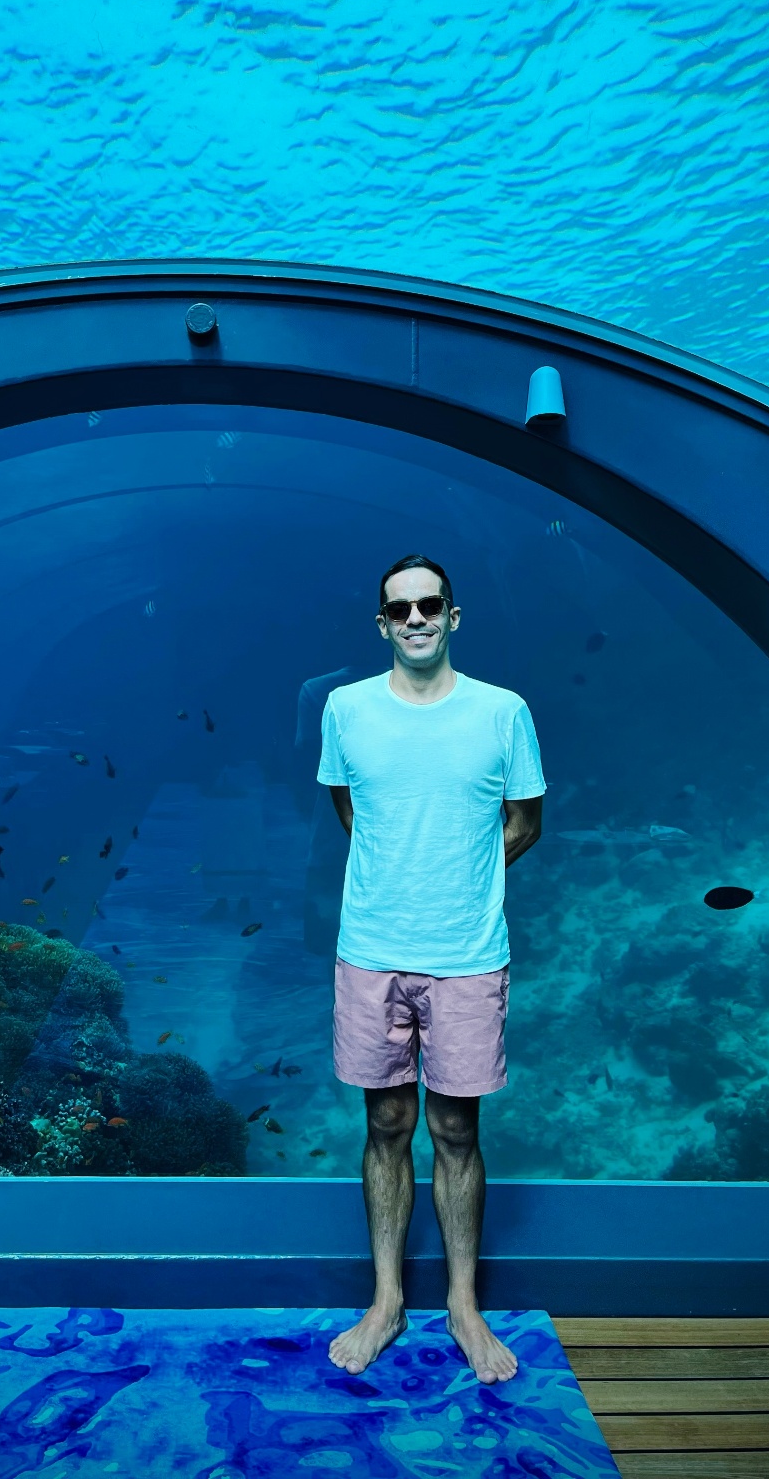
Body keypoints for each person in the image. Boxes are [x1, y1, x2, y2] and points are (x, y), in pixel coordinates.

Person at [318, 553, 545, 1383]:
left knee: (457, 1130)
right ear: (382, 624)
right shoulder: (345, 710)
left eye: (430, 605)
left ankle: (462, 1305)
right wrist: (406, 878)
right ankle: (385, 1302)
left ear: (454, 615)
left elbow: (525, 819)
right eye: (399, 609)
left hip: (467, 956)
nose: (415, 619)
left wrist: (463, 882)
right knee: (384, 1126)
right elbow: (354, 812)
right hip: (371, 949)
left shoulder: (503, 712)